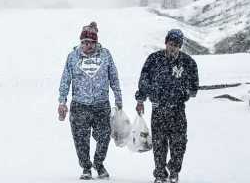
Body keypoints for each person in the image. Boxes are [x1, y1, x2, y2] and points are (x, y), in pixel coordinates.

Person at [58, 22, 123, 180]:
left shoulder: (105, 55)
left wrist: (118, 97)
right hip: (80, 105)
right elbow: (66, 79)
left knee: (104, 135)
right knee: (81, 139)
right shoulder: (73, 57)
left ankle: (99, 163)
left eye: (90, 43)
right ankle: (86, 167)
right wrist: (62, 101)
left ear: (95, 42)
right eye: (84, 42)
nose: (87, 45)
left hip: (101, 104)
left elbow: (113, 76)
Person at [134, 29, 200, 183]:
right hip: (158, 109)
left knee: (179, 143)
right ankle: (160, 174)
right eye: (171, 44)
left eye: (177, 45)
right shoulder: (153, 59)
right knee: (159, 144)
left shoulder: (188, 62)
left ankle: (174, 170)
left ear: (180, 46)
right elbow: (143, 81)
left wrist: (184, 92)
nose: (173, 48)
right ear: (166, 43)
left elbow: (194, 88)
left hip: (178, 110)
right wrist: (140, 100)